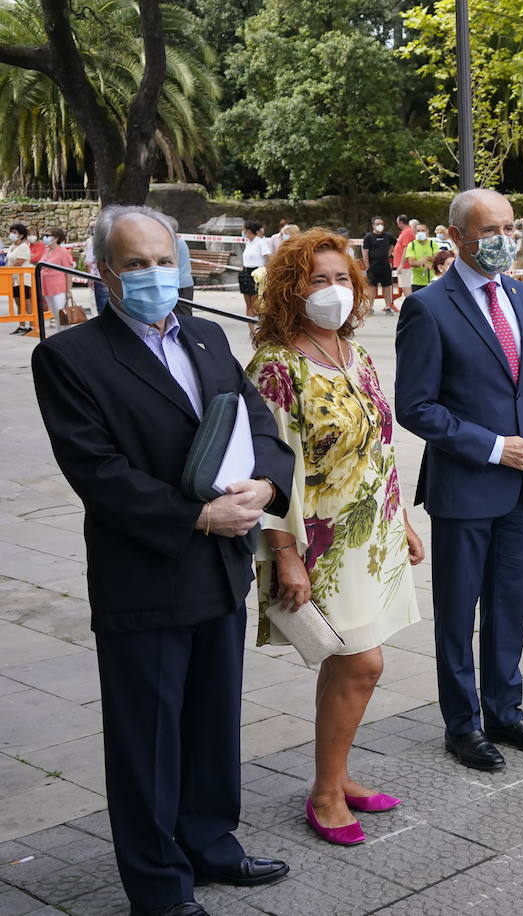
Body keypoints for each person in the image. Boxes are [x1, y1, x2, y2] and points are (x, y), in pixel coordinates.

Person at [30, 206, 295, 915]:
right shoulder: (69, 356)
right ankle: (158, 885)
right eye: (135, 263)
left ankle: (211, 844)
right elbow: (98, 471)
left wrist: (267, 484)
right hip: (145, 573)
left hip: (220, 568)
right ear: (104, 273)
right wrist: (195, 514)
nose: (153, 275)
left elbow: (258, 424)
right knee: (148, 737)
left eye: (162, 260)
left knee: (213, 720)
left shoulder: (208, 336)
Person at [246, 229, 422, 844]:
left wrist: (400, 520)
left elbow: (380, 445)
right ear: (292, 289)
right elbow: (265, 465)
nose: (332, 291)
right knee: (361, 663)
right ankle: (324, 792)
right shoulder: (275, 366)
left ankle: (337, 773)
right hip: (314, 541)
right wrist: (284, 557)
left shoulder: (358, 356)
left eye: (341, 279)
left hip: (368, 534)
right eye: (317, 280)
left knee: (351, 664)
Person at [396, 189, 523, 767]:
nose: (504, 239)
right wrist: (494, 447)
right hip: (466, 487)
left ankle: (506, 710)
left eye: (510, 227)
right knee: (458, 610)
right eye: (490, 230)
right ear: (457, 237)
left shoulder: (520, 295)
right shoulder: (429, 308)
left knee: (511, 603)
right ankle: (463, 724)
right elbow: (416, 407)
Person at [38, 227, 77, 320]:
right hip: (47, 288)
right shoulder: (47, 250)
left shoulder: (63, 252)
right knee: (56, 316)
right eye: (44, 236)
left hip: (59, 289)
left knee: (62, 316)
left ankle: (65, 334)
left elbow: (68, 272)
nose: (45, 238)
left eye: (47, 236)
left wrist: (68, 290)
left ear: (56, 238)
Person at [362, 216, 398, 314]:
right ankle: (370, 307)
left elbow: (394, 243)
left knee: (387, 287)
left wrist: (389, 253)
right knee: (372, 288)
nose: (380, 226)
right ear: (373, 225)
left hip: (385, 266)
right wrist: (367, 266)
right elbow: (365, 251)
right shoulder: (368, 237)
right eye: (377, 224)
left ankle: (388, 307)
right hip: (373, 266)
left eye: (381, 224)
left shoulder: (387, 236)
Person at [6, 222, 35, 334]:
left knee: (27, 302)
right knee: (18, 302)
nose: (11, 235)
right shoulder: (12, 246)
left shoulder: (24, 247)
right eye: (11, 232)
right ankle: (22, 325)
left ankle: (32, 326)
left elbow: (19, 261)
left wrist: (8, 268)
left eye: (14, 233)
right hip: (14, 279)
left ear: (21, 235)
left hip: (23, 279)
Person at [240, 219, 272, 316]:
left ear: (248, 231)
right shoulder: (248, 243)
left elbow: (269, 258)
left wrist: (266, 270)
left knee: (256, 304)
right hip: (245, 272)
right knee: (248, 304)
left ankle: (260, 326)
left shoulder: (261, 242)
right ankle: (251, 330)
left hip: (257, 273)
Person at [82, 220, 110, 314]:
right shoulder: (110, 238)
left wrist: (89, 278)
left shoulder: (92, 242)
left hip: (97, 276)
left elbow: (88, 262)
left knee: (102, 305)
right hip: (111, 275)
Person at [404, 223, 441, 288]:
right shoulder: (412, 245)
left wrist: (427, 258)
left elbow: (437, 259)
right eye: (418, 231)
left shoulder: (433, 244)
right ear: (415, 232)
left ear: (427, 232)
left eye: (423, 230)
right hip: (416, 282)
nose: (420, 232)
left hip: (432, 280)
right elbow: (412, 262)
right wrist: (425, 264)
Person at [392, 215, 416, 300]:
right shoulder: (405, 232)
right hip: (403, 264)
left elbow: (406, 248)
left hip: (405, 265)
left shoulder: (407, 232)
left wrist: (401, 264)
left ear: (400, 223)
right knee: (404, 286)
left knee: (406, 287)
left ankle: (411, 306)